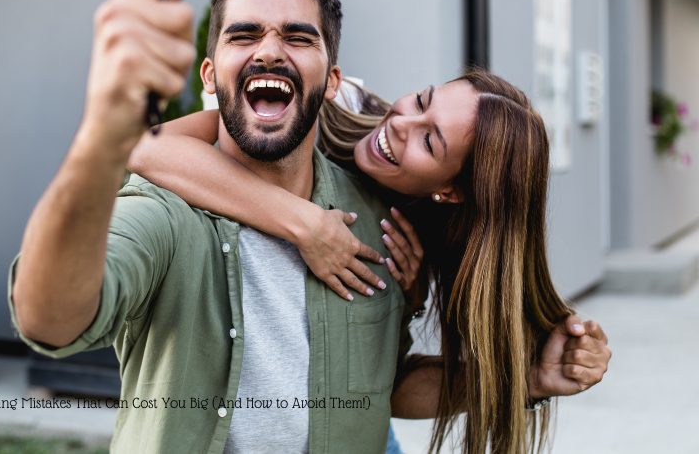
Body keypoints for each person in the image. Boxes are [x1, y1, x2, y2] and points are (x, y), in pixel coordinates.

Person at [11, 0, 408, 452]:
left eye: (298, 37)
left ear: (331, 80)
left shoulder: (377, 220)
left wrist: (531, 380)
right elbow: (48, 320)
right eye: (243, 36)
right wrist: (100, 134)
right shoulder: (164, 212)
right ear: (209, 74)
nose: (269, 52)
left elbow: (390, 383)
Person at [127, 60, 612, 453]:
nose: (400, 123)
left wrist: (528, 379)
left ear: (450, 192)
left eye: (429, 140)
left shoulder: (426, 242)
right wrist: (307, 225)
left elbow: (384, 388)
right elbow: (147, 149)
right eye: (422, 100)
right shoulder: (334, 101)